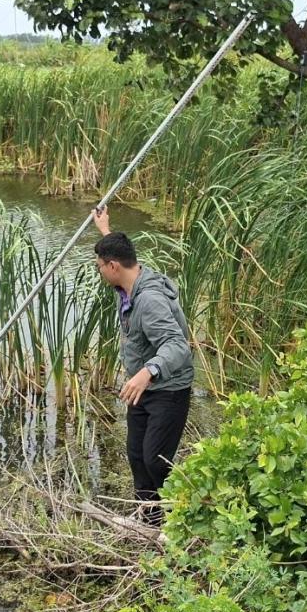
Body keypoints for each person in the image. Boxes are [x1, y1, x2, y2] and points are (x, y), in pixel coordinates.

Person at [91, 206, 194, 522]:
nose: (99, 272)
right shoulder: (128, 280)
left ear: (112, 267)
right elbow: (119, 256)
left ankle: (174, 521)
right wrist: (106, 231)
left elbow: (179, 346)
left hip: (167, 388)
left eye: (100, 267)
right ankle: (149, 521)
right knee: (137, 457)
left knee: (155, 460)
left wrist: (147, 372)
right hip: (143, 388)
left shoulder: (149, 300)